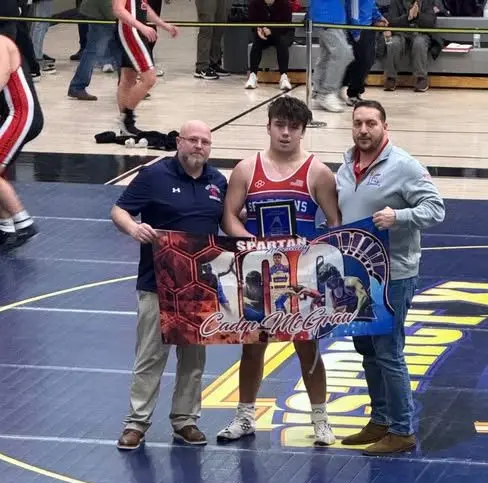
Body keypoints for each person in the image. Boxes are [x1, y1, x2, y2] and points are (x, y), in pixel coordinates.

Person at [219, 96, 341, 446]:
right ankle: (245, 417)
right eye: (280, 125)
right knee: (252, 346)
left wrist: (315, 253)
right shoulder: (246, 169)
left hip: (301, 276)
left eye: (293, 127)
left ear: (303, 131)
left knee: (308, 346)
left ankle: (320, 420)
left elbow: (334, 223)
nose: (286, 133)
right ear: (269, 127)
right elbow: (229, 217)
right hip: (257, 273)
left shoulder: (318, 172)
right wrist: (253, 243)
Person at [336, 100, 445, 455]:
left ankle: (402, 429)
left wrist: (399, 217)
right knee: (366, 348)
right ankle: (381, 419)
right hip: (357, 275)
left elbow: (436, 209)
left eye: (371, 123)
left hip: (394, 274)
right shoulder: (345, 166)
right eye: (358, 123)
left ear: (385, 126)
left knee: (388, 350)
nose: (363, 130)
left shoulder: (404, 165)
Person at [111, 120, 227, 449]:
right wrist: (134, 229)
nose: (199, 146)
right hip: (157, 282)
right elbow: (119, 210)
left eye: (205, 142)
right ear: (178, 142)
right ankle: (136, 423)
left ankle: (185, 420)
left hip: (199, 286)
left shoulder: (218, 182)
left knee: (193, 358)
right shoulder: (154, 175)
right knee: (151, 355)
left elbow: (229, 222)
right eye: (193, 140)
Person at [0, 34, 43, 251]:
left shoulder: (0, 43)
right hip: (10, 115)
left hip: (20, 115)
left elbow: (1, 78)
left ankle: (23, 222)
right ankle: (6, 226)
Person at [112, 0, 178, 135]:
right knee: (149, 78)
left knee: (128, 78)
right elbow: (118, 9)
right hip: (130, 31)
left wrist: (163, 25)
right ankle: (126, 119)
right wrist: (141, 26)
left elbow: (143, 7)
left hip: (133, 30)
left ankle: (125, 127)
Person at [68, 0, 120, 101]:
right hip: (101, 14)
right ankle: (77, 86)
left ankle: (127, 85)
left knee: (119, 51)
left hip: (105, 12)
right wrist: (121, 17)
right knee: (92, 52)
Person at [384, 0, 437, 92]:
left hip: (420, 33)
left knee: (419, 42)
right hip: (400, 33)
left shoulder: (427, 2)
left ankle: (421, 78)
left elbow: (431, 23)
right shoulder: (396, 2)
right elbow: (391, 22)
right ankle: (391, 77)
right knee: (393, 43)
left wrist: (418, 15)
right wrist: (407, 17)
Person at [245, 0, 293, 91]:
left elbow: (286, 25)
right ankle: (253, 75)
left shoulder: (285, 4)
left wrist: (272, 30)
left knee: (282, 42)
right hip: (263, 33)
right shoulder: (254, 4)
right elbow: (252, 21)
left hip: (281, 33)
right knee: (257, 43)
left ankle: (284, 77)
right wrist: (259, 29)